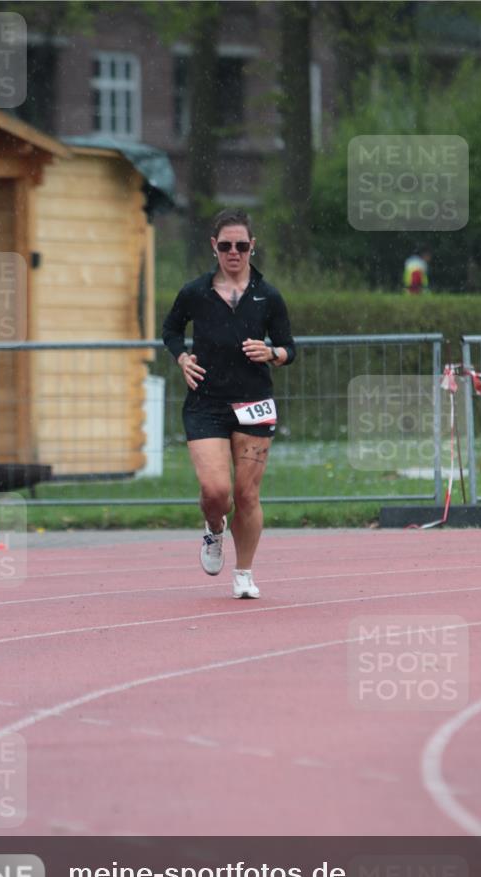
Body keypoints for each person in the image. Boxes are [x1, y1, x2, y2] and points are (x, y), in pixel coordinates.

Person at [162, 208, 296, 599]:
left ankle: (244, 573)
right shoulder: (195, 293)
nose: (233, 253)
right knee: (216, 491)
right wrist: (182, 358)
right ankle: (214, 528)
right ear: (213, 247)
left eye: (240, 246)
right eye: (225, 246)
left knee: (247, 494)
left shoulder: (268, 296)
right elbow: (171, 330)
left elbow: (289, 348)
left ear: (252, 246)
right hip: (206, 403)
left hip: (254, 402)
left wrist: (271, 353)